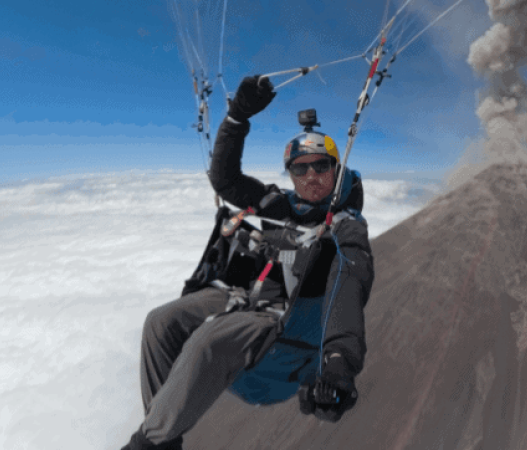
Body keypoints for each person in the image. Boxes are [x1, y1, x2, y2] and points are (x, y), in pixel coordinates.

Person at [121, 75, 375, 450]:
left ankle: (150, 444)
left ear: (336, 171)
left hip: (283, 321)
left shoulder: (343, 227)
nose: (311, 177)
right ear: (290, 173)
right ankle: (166, 434)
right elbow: (225, 180)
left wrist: (338, 361)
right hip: (247, 295)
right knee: (160, 323)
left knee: (209, 341)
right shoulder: (282, 205)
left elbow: (349, 283)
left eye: (321, 166)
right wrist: (237, 118)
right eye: (300, 168)